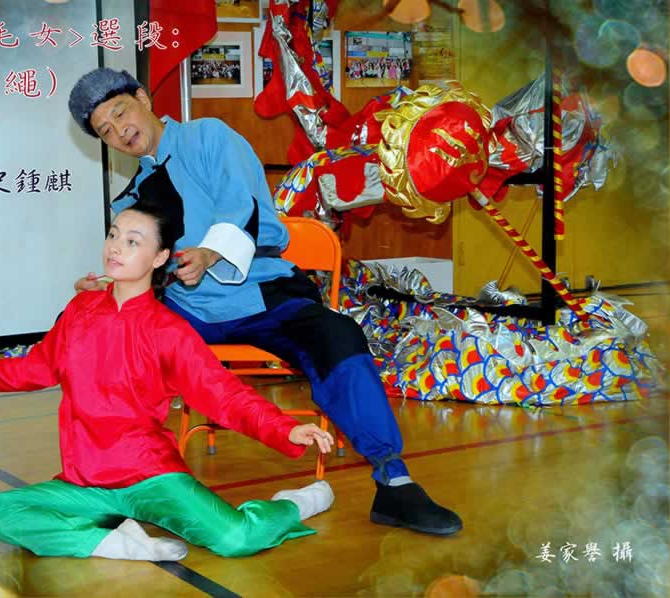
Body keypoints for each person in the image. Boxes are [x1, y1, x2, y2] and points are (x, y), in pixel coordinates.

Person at [68, 68, 463, 536]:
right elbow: (140, 271)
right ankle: (113, 485)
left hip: (264, 293)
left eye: (120, 113)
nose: (119, 131)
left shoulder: (208, 137)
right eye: (106, 131)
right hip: (190, 311)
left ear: (142, 98)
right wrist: (107, 288)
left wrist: (210, 252)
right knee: (105, 339)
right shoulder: (130, 200)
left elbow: (243, 205)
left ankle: (394, 482)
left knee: (337, 336)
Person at [0, 203, 336, 560]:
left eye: (132, 241)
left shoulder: (168, 330)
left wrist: (284, 428)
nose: (115, 248)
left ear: (160, 257)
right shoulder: (80, 310)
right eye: (113, 235)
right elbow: (38, 368)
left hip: (152, 478)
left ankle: (293, 505)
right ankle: (116, 544)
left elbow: (223, 394)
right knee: (0, 512)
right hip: (87, 482)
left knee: (236, 539)